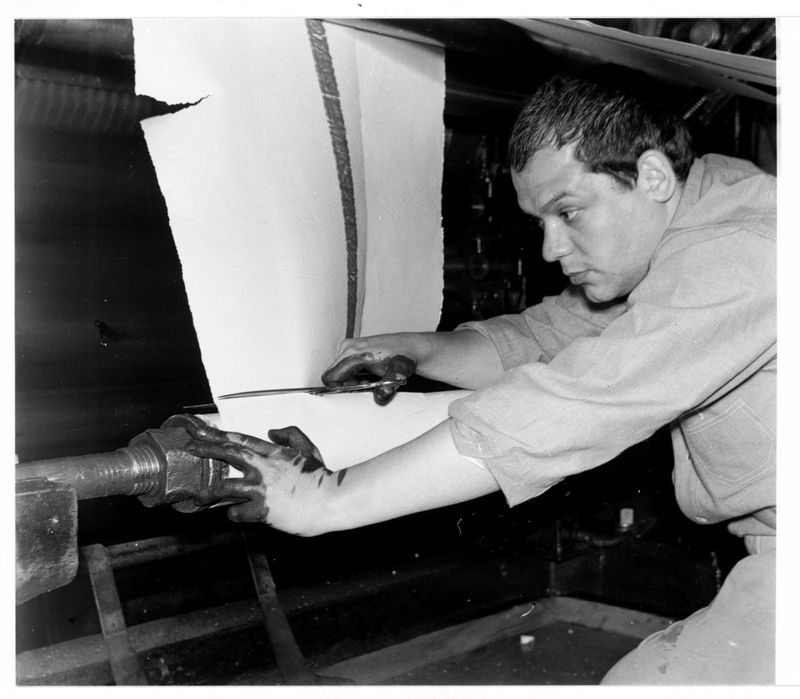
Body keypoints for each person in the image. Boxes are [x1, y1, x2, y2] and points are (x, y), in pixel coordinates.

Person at [187, 66, 776, 684]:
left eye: (569, 212)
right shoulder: (698, 214)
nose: (551, 249)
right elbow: (547, 338)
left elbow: (578, 402)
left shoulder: (741, 250)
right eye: (540, 223)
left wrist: (325, 500)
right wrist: (418, 350)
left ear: (652, 176)